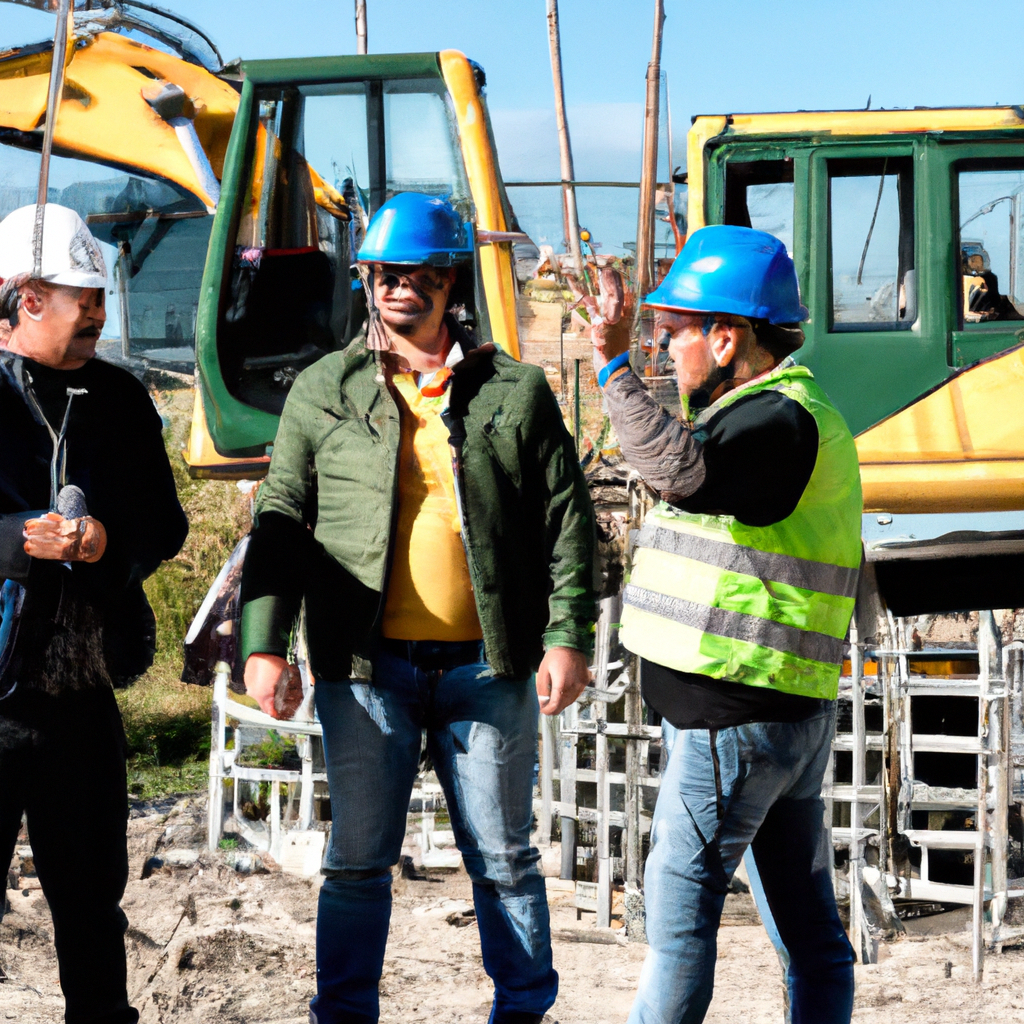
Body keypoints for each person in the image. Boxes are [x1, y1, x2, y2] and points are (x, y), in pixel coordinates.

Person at [240, 192, 596, 1024]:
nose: (401, 288)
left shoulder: (515, 391)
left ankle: (522, 1012)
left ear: (450, 282)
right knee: (358, 862)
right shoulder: (324, 391)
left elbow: (568, 520)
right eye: (386, 274)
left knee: (505, 859)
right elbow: (282, 515)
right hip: (367, 670)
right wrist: (264, 642)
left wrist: (568, 636)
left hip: (488, 668)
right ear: (366, 280)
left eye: (420, 274)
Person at [590, 225, 861, 1024]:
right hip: (771, 712)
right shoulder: (762, 416)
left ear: (726, 337)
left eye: (674, 331)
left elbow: (680, 473)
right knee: (808, 933)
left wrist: (611, 367)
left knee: (677, 925)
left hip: (736, 717)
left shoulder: (778, 420)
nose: (663, 348)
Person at [0, 203, 188, 1024]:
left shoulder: (117, 396)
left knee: (90, 908)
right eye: (84, 299)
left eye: (101, 298)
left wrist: (108, 541)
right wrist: (15, 539)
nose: (99, 316)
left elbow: (164, 524)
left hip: (81, 700)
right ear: (27, 297)